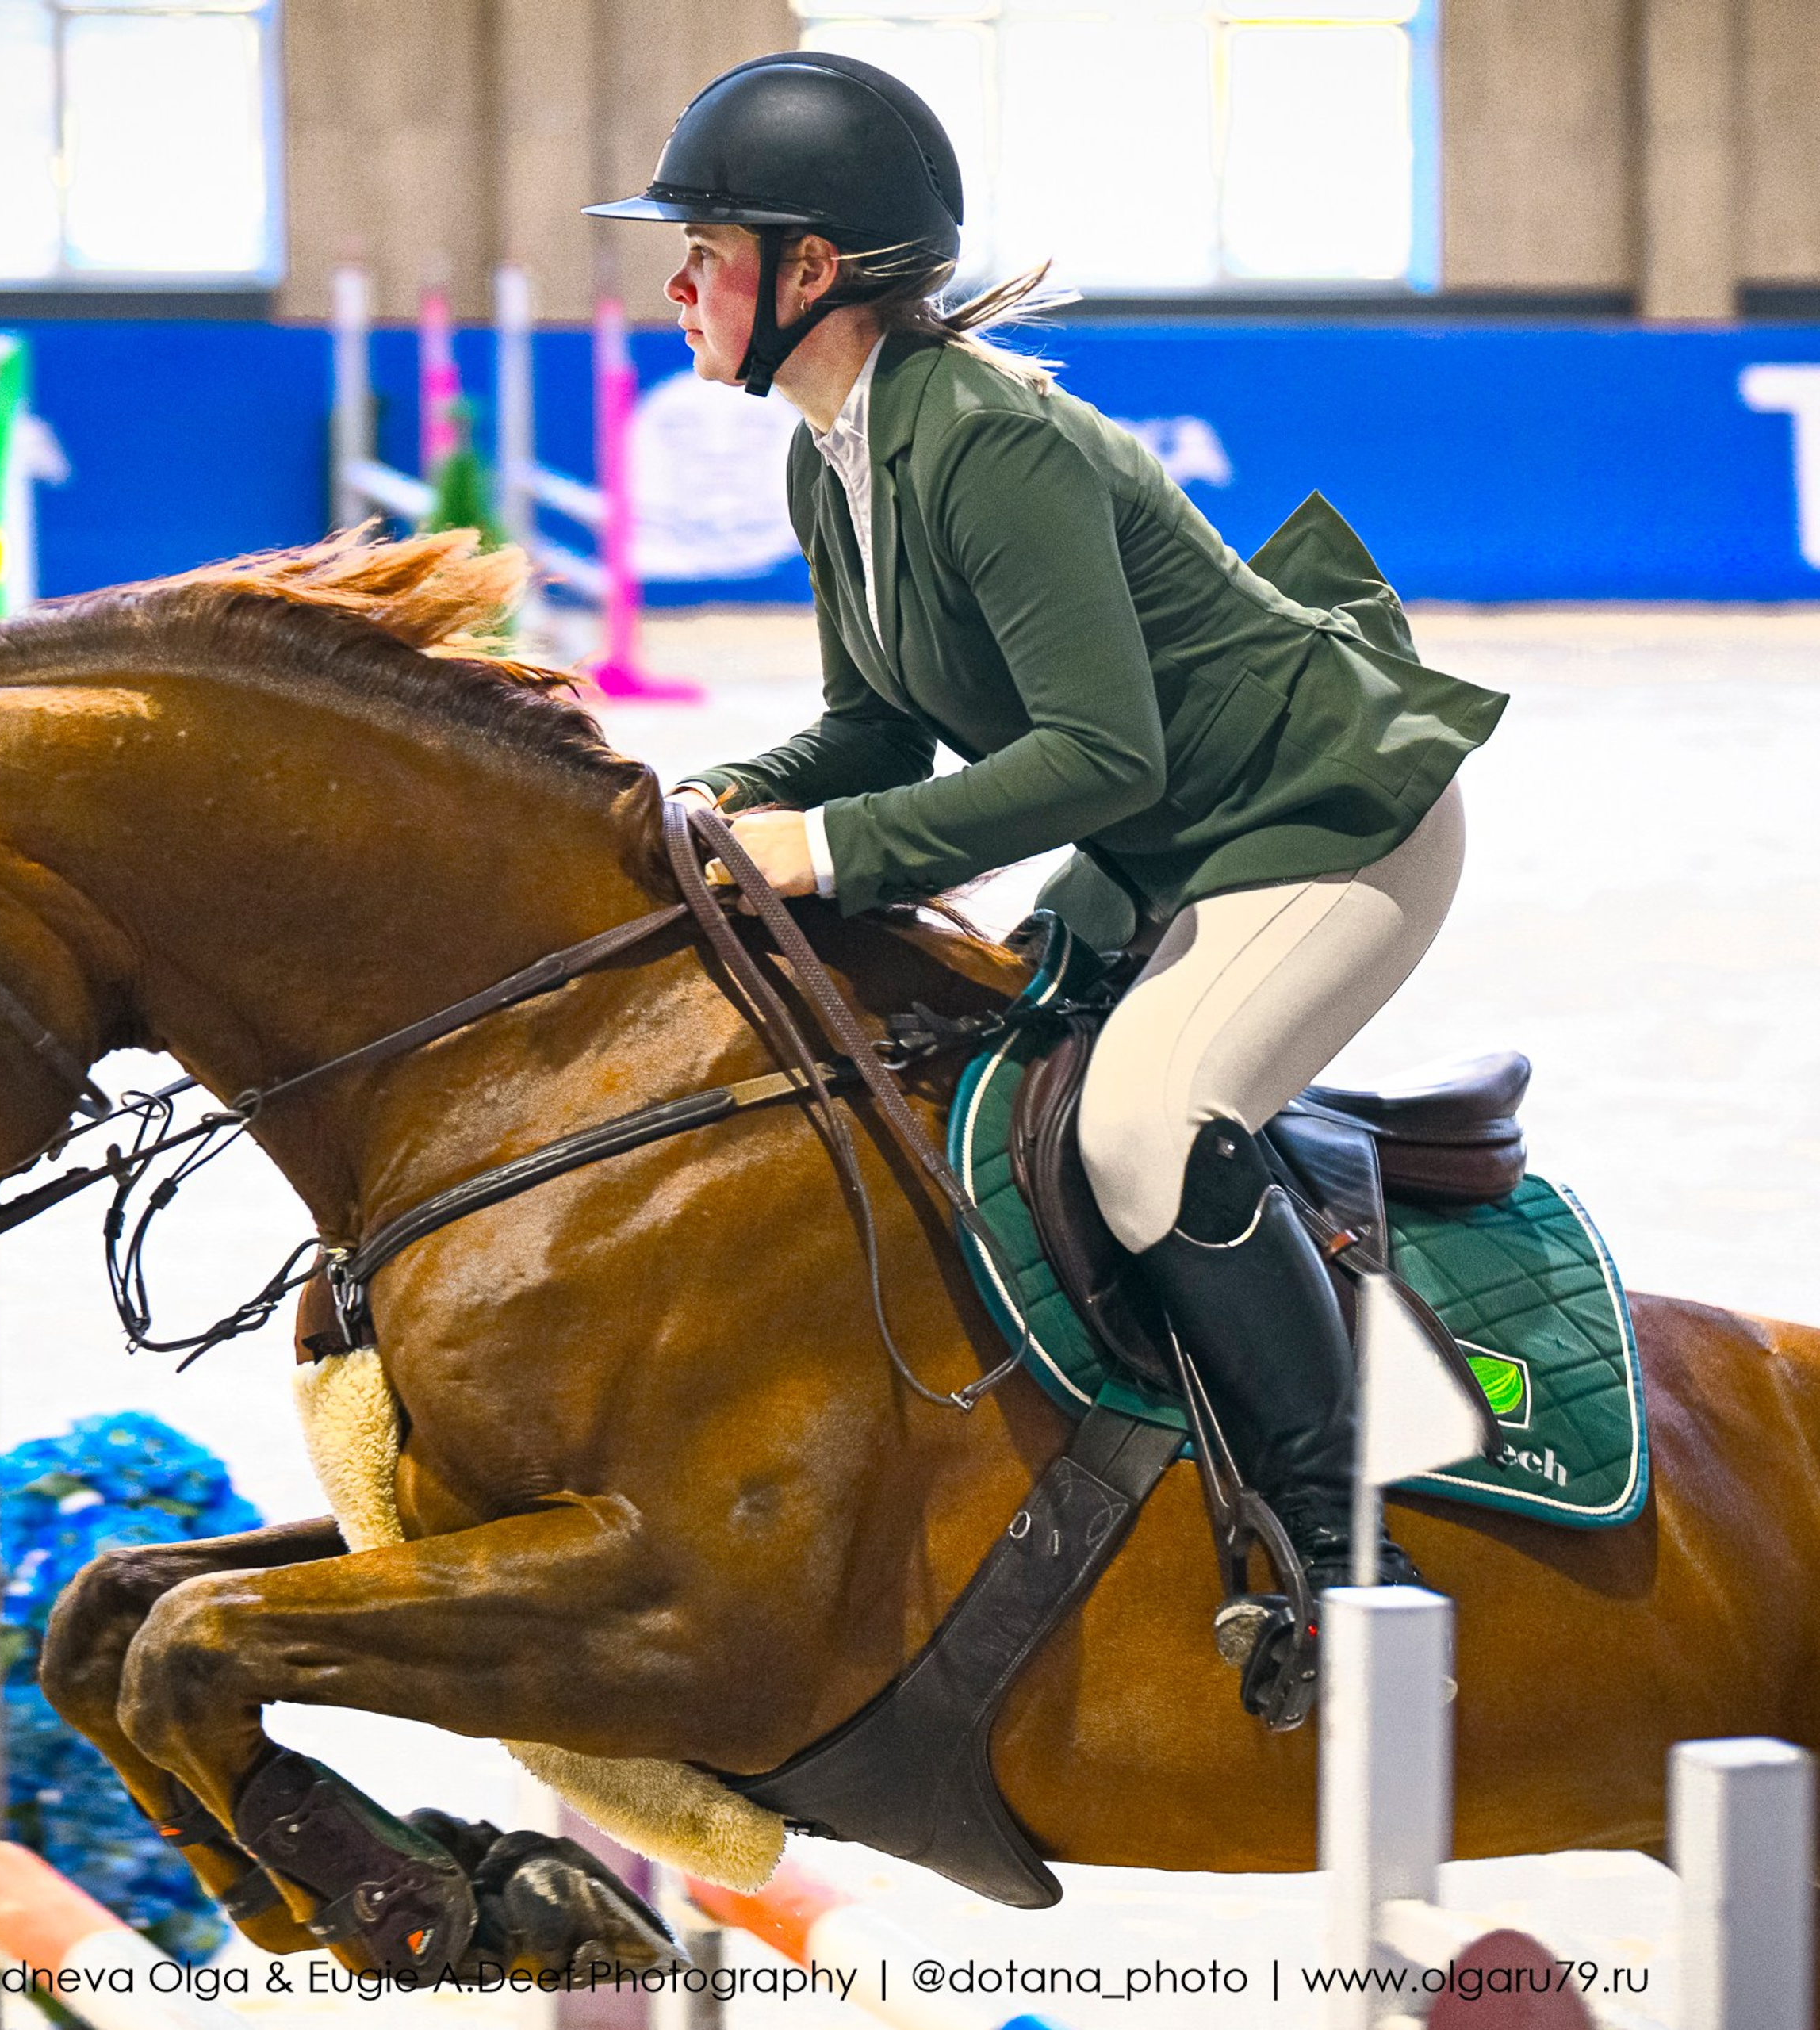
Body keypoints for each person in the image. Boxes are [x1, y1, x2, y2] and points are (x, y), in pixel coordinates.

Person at [584, 52, 1507, 1632]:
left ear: (812, 271)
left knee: (1138, 1127)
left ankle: (1339, 1553)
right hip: (1172, 849)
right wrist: (713, 800)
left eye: (707, 251)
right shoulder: (836, 452)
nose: (674, 281)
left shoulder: (981, 442)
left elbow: (1093, 756)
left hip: (1328, 823)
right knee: (965, 1073)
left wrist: (826, 850)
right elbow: (873, 733)